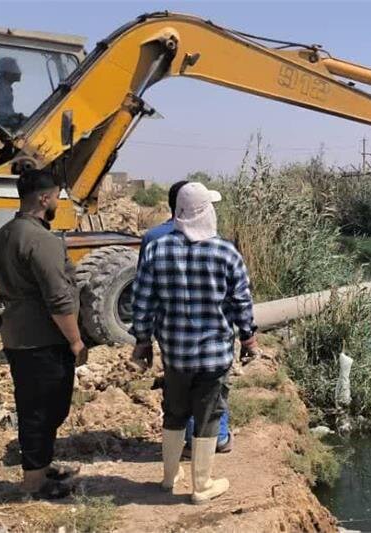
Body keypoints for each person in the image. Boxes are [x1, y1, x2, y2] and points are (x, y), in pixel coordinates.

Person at [130, 182, 259, 504]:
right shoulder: (226, 252)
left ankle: (169, 477)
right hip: (214, 356)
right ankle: (201, 487)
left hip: (174, 354)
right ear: (205, 211)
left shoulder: (157, 250)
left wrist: (142, 341)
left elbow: (142, 302)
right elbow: (240, 302)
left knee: (173, 412)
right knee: (207, 416)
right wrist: (249, 338)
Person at [0, 169, 88, 499]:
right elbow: (58, 298)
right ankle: (34, 483)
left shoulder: (3, 235)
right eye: (57, 196)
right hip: (41, 339)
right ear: (44, 198)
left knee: (39, 405)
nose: (58, 202)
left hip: (18, 334)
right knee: (43, 409)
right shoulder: (40, 239)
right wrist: (75, 340)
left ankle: (41, 467)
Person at [137, 180, 233, 459]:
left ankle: (176, 461)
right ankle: (215, 443)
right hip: (213, 342)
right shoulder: (219, 247)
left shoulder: (153, 241)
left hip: (172, 338)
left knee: (178, 397)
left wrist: (143, 338)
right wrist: (247, 335)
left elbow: (144, 294)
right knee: (212, 395)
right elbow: (235, 296)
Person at [0, 56, 26, 129]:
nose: (19, 71)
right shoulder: (0, 88)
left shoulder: (5, 87)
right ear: (7, 72)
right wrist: (18, 120)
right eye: (15, 68)